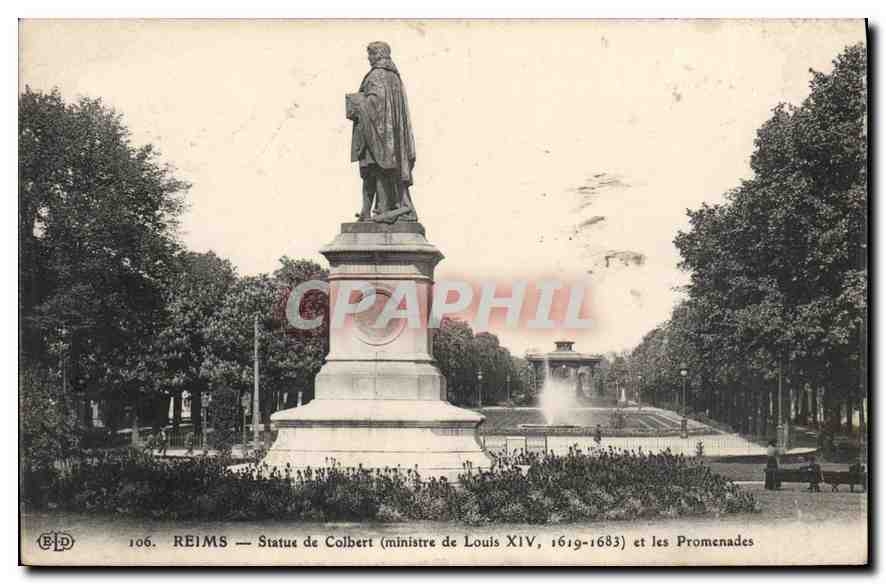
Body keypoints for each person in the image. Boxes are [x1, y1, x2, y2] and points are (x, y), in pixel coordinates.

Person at [347, 41, 418, 223]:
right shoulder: (394, 77)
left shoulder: (376, 76)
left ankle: (380, 210)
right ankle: (368, 211)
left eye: (370, 54)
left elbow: (375, 104)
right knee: (373, 173)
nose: (368, 58)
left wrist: (357, 104)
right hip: (387, 137)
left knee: (374, 172)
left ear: (377, 55)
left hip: (375, 135)